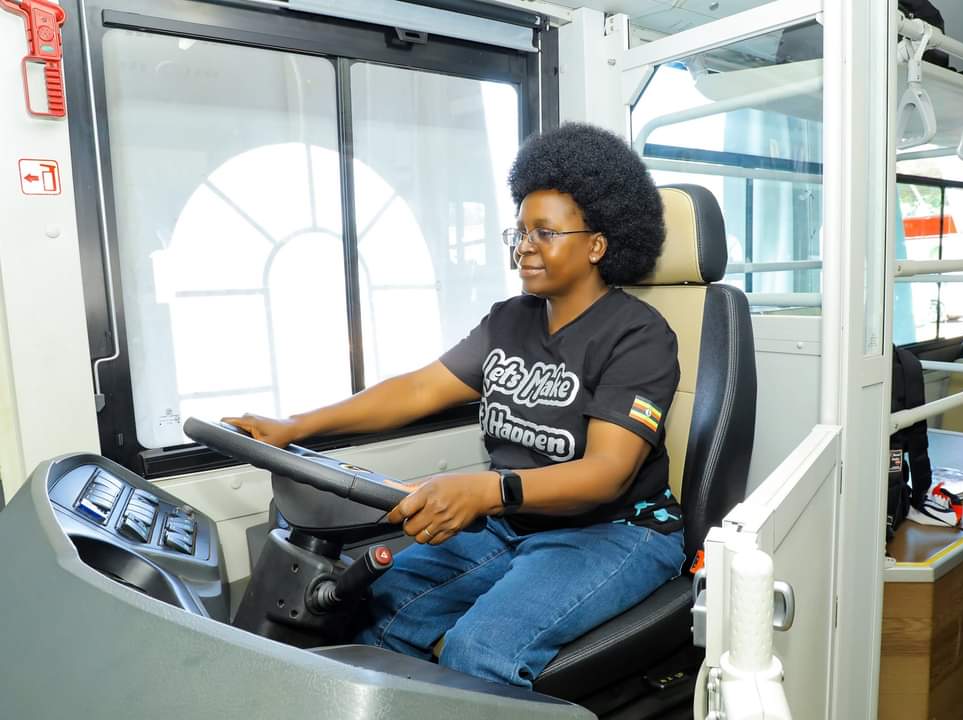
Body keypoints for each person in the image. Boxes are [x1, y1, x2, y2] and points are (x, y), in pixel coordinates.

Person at [224, 122, 684, 688]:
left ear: (597, 245)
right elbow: (419, 389)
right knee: (375, 604)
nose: (524, 246)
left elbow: (606, 473)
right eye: (519, 231)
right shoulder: (509, 320)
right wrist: (295, 424)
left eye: (544, 232)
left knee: (477, 649)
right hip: (513, 523)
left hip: (615, 531)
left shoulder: (638, 335)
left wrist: (487, 491)